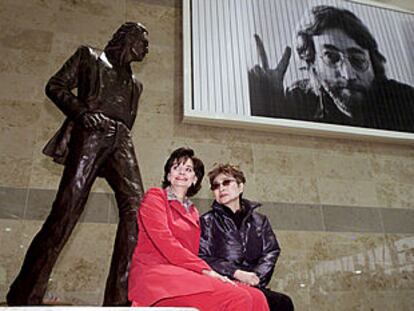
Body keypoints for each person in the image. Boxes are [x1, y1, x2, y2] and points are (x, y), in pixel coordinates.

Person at [7, 22, 149, 306]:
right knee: (67, 209)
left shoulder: (136, 84)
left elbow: (127, 118)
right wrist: (82, 113)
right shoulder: (89, 57)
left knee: (137, 211)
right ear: (129, 39)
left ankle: (118, 300)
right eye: (144, 42)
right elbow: (55, 85)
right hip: (91, 133)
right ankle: (25, 293)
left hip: (121, 140)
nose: (147, 49)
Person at [128, 147, 270, 311]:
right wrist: (206, 271)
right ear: (168, 175)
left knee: (257, 297)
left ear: (194, 179)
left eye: (188, 170)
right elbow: (165, 242)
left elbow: (192, 252)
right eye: (176, 168)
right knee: (237, 298)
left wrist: (214, 274)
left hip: (184, 275)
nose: (181, 172)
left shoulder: (193, 212)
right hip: (156, 277)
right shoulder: (155, 197)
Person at [249, 5, 414, 132]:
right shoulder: (299, 100)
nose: (348, 75)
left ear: (373, 63)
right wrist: (268, 101)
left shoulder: (407, 102)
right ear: (312, 63)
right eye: (331, 57)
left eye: (358, 60)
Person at [199, 164, 294, 311]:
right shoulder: (206, 221)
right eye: (216, 186)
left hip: (254, 284)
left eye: (226, 182)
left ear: (240, 186)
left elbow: (271, 251)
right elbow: (203, 257)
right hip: (224, 283)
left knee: (282, 303)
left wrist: (255, 278)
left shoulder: (260, 221)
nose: (221, 188)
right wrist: (235, 273)